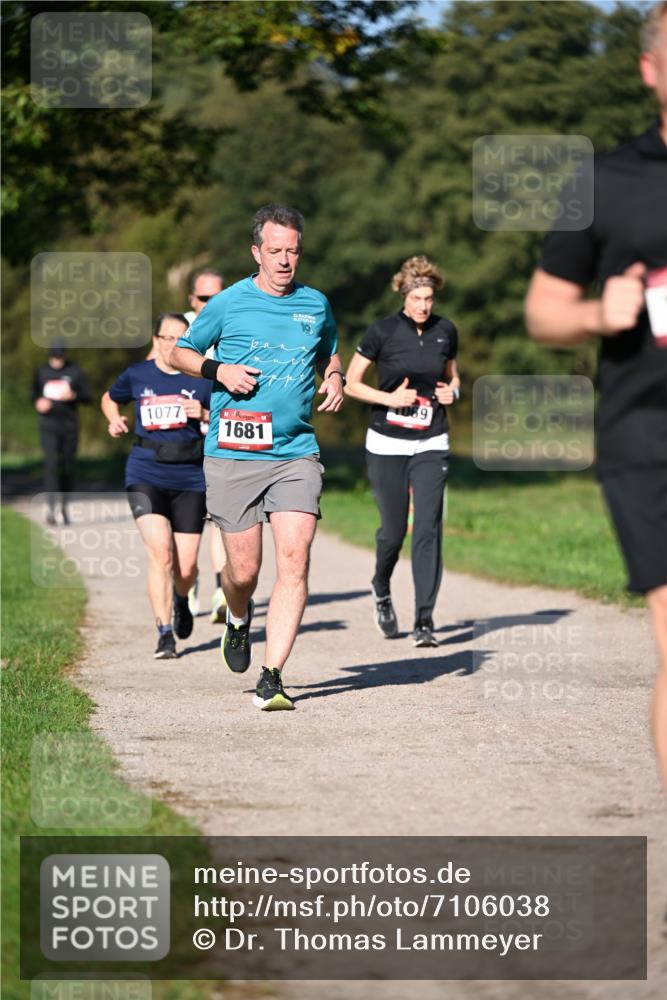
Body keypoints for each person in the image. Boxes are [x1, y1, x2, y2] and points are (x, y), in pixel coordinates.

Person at [524, 0, 667, 791]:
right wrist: (594, 313)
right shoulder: (604, 182)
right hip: (648, 438)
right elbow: (543, 310)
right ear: (650, 71)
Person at [171, 203, 344, 711]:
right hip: (234, 452)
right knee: (243, 572)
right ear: (257, 252)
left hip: (295, 452)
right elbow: (179, 352)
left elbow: (328, 349)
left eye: (293, 251)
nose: (285, 260)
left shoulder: (315, 303)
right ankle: (239, 617)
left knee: (295, 558)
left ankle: (272, 675)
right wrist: (218, 371)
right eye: (275, 251)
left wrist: (334, 376)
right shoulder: (228, 303)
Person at [345, 256, 460, 648]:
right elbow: (350, 383)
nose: (424, 306)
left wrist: (453, 391)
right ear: (404, 295)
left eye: (429, 298)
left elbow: (452, 375)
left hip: (431, 438)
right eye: (417, 298)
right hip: (387, 441)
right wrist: (390, 398)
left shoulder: (446, 330)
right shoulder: (383, 331)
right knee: (394, 532)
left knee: (427, 529)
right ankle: (381, 585)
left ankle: (424, 620)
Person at [101, 313, 212, 659]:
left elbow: (226, 416)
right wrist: (115, 418)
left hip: (191, 476)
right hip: (145, 473)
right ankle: (164, 633)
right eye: (167, 338)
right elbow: (109, 397)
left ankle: (182, 598)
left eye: (181, 339)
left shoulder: (203, 378)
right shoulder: (138, 375)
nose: (173, 345)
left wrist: (204, 414)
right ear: (156, 340)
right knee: (160, 553)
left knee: (187, 568)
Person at [183, 268, 229, 625]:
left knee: (217, 519)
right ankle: (187, 581)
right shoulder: (177, 332)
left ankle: (220, 591)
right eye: (203, 299)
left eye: (216, 297)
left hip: (220, 433)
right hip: (181, 442)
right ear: (191, 301)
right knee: (186, 521)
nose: (210, 304)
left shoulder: (234, 322)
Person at [31, 339, 92, 524]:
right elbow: (32, 394)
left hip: (69, 426)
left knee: (66, 467)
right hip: (48, 426)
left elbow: (88, 397)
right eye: (54, 355)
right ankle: (51, 509)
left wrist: (74, 396)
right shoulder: (42, 372)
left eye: (60, 355)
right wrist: (38, 403)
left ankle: (64, 508)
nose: (57, 359)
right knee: (51, 465)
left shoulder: (75, 372)